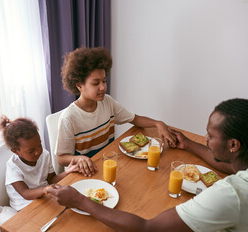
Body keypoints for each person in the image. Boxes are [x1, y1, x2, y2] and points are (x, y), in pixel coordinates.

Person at [46, 98, 248, 232]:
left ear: (234, 145)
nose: (205, 138)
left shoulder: (235, 194)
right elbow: (228, 165)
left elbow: (146, 230)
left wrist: (81, 201)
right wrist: (188, 144)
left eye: (210, 136)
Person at [56, 47, 176, 177]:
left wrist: (158, 123)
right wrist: (79, 159)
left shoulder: (107, 102)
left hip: (108, 163)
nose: (103, 87)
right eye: (96, 83)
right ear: (79, 86)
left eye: (104, 81)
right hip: (87, 173)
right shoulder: (69, 118)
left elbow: (134, 119)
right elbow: (61, 158)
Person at [0, 115, 78, 211]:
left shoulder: (44, 155)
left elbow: (52, 180)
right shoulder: (13, 167)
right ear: (15, 151)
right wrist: (45, 189)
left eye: (39, 145)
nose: (38, 152)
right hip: (24, 206)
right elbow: (25, 193)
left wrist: (67, 172)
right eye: (31, 151)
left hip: (43, 197)